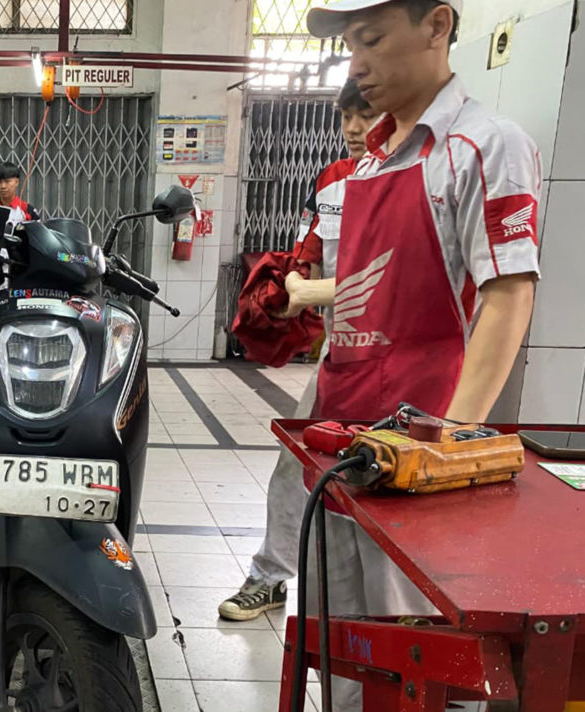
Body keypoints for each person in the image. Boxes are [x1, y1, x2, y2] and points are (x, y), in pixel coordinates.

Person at [282, 1, 540, 708]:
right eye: (350, 45)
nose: (357, 63)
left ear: (437, 26)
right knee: (343, 652)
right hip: (343, 442)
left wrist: (446, 442)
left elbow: (508, 294)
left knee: (417, 665)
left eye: (371, 39)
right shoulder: (370, 161)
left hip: (416, 461)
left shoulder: (484, 145)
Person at [219, 79, 380, 622]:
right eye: (346, 117)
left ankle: (384, 612)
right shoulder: (333, 180)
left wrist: (309, 292)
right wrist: (283, 293)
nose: (354, 129)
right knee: (296, 463)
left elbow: (395, 279)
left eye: (366, 116)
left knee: (385, 484)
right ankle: (270, 576)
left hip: (404, 370)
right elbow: (307, 256)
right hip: (342, 358)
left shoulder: (413, 181)